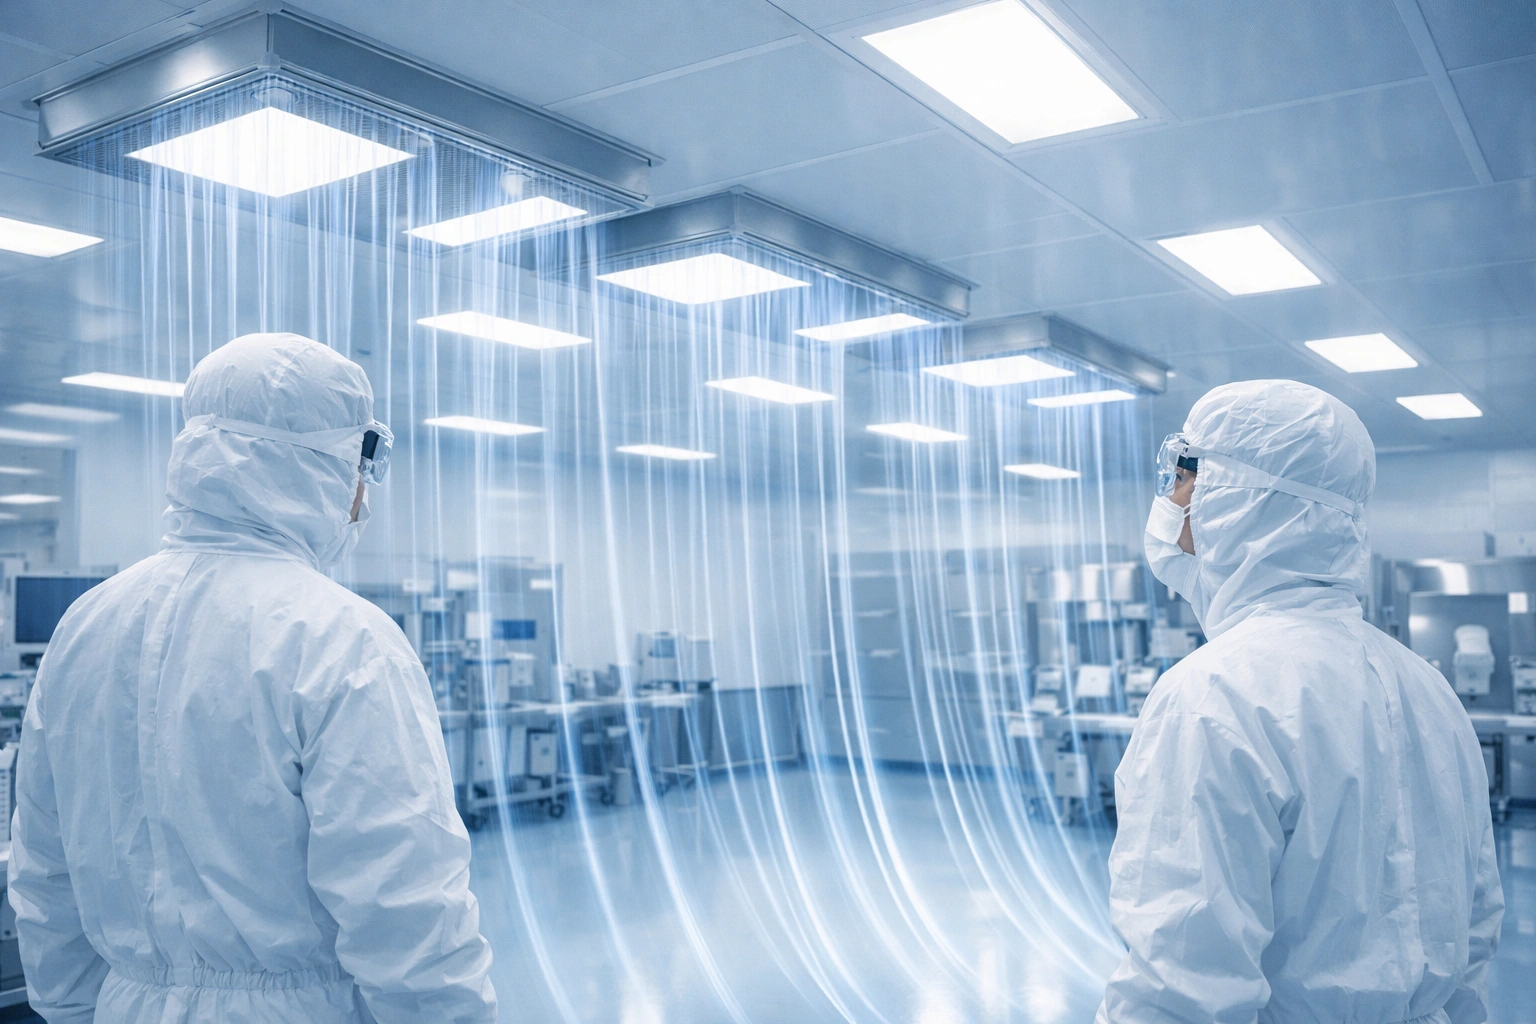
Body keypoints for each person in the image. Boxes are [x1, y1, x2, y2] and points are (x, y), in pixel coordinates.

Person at [9, 333, 496, 1022]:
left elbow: (44, 866)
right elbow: (406, 911)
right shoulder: (342, 639)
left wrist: (73, 1009)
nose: (362, 496)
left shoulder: (86, 624)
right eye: (359, 465)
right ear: (317, 467)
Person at [1099, 380, 1503, 1024]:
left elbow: (1182, 990)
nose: (1172, 499)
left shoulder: (1212, 694)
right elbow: (1475, 931)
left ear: (1238, 501)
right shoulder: (1427, 687)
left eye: (1185, 476)